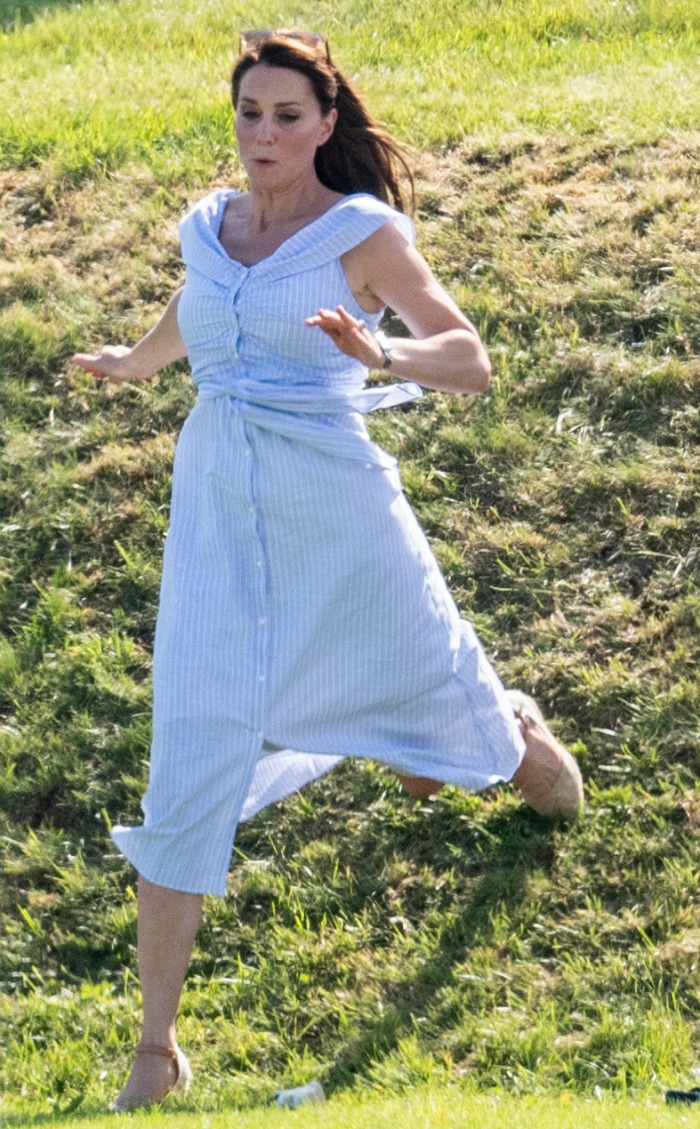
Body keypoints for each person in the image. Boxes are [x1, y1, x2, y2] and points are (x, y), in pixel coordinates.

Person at [72, 29, 583, 1111]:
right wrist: (136, 358)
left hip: (341, 528)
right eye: (249, 113)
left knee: (440, 741)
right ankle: (154, 1050)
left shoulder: (362, 232)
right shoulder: (209, 228)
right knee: (188, 760)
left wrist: (383, 352)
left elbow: (471, 359)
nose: (264, 135)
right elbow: (203, 303)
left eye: (286, 116)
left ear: (326, 124)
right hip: (217, 527)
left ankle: (517, 742)